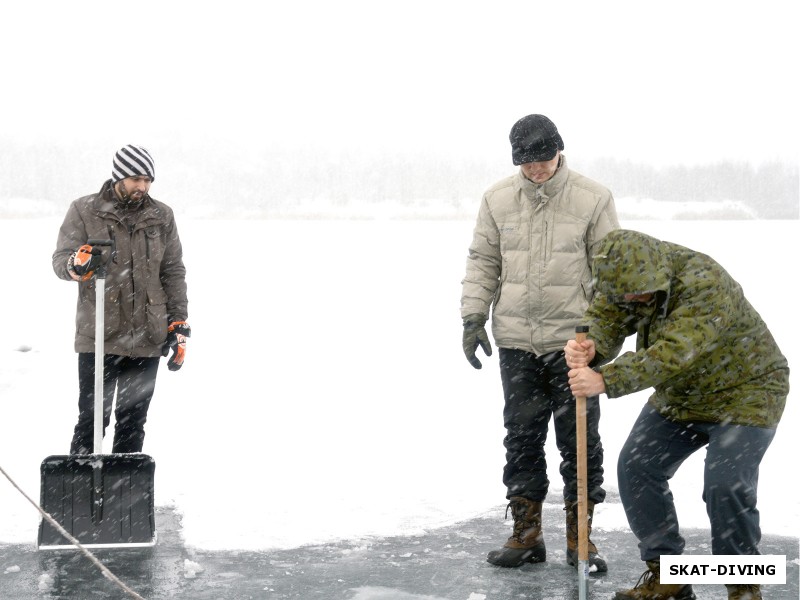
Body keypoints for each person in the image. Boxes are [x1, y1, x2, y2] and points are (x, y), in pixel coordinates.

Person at [564, 229, 789, 600]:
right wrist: (591, 348)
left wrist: (605, 379)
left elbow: (675, 351)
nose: (631, 299)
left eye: (638, 292)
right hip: (681, 395)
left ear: (655, 274)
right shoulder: (622, 279)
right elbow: (605, 316)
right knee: (637, 468)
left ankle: (743, 584)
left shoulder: (705, 283)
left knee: (725, 485)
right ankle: (667, 573)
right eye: (624, 294)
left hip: (747, 394)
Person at [460, 114, 619, 571]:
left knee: (580, 440)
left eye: (543, 161)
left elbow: (610, 271)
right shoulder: (497, 199)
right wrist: (473, 315)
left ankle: (580, 536)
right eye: (526, 164)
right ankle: (527, 533)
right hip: (516, 342)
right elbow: (483, 260)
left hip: (574, 344)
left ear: (559, 152)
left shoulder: (592, 198)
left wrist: (603, 337)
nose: (535, 171)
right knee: (522, 438)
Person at [52, 144, 190, 455]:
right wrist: (76, 264)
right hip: (99, 334)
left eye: (148, 180)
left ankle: (125, 494)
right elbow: (61, 261)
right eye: (136, 179)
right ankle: (81, 492)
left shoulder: (161, 216)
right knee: (91, 419)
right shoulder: (84, 210)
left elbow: (172, 271)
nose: (142, 186)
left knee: (133, 421)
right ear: (119, 177)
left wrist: (178, 322)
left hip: (148, 334)